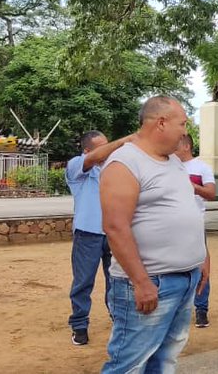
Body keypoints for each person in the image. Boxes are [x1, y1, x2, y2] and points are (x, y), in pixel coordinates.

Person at [99, 96, 210, 373]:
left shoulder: (173, 161)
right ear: (161, 122)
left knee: (165, 358)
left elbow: (187, 211)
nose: (185, 131)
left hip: (185, 279)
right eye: (182, 124)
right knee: (129, 364)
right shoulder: (125, 163)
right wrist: (142, 282)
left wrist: (202, 257)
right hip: (152, 284)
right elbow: (115, 227)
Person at [65, 130, 134, 346]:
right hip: (88, 234)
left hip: (113, 234)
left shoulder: (113, 169)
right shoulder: (77, 167)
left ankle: (118, 318)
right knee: (83, 282)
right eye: (103, 146)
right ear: (87, 151)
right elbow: (93, 159)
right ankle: (79, 325)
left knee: (117, 280)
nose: (110, 148)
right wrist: (124, 139)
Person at [175, 134, 216, 327]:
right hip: (172, 225)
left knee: (201, 265)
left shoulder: (202, 167)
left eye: (176, 144)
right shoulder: (168, 166)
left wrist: (193, 187)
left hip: (195, 224)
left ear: (186, 146)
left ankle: (201, 308)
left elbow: (211, 193)